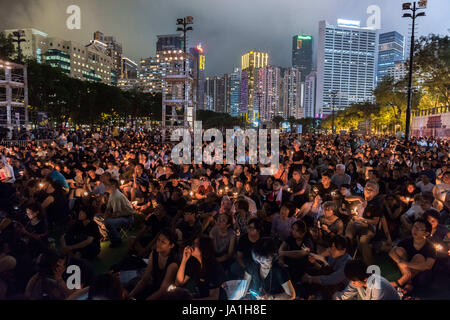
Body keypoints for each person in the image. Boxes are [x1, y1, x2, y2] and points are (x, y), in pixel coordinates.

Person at [127, 229, 179, 300]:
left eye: (163, 242)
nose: (158, 243)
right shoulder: (154, 253)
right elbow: (146, 278)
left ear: (171, 245)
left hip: (166, 294)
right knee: (129, 288)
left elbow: (162, 290)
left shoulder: (172, 264)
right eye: (158, 240)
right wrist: (131, 294)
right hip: (154, 286)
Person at [389, 219, 437, 295]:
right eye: (414, 227)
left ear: (426, 233)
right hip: (406, 271)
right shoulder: (407, 240)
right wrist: (399, 262)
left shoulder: (430, 247)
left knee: (419, 257)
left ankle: (402, 282)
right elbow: (391, 251)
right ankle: (407, 282)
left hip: (420, 275)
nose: (415, 230)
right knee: (399, 250)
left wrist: (405, 264)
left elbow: (428, 266)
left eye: (419, 229)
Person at [301, 235, 352, 299]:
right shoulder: (333, 254)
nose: (332, 250)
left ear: (344, 250)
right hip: (331, 280)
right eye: (332, 247)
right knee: (307, 271)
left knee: (313, 282)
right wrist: (315, 262)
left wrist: (310, 279)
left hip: (340, 287)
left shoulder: (347, 263)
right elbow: (327, 268)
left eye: (335, 248)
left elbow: (331, 279)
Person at [176, 235, 226, 300]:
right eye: (193, 243)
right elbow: (179, 283)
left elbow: (214, 297)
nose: (192, 246)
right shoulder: (193, 261)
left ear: (203, 249)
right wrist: (184, 260)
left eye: (196, 244)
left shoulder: (214, 267)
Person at [334, 260, 400, 300]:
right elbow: (345, 294)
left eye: (354, 281)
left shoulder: (378, 289)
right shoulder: (359, 279)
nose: (352, 283)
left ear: (365, 279)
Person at [278, 220, 314, 284]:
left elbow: (301, 253)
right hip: (291, 264)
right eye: (293, 229)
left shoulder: (307, 241)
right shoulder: (291, 237)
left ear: (302, 232)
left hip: (303, 267)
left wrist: (283, 253)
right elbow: (281, 248)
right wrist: (281, 259)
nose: (293, 232)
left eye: (296, 230)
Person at [104, 179, 135, 248]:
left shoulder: (116, 196)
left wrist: (105, 219)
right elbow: (108, 208)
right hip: (122, 216)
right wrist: (105, 216)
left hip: (128, 218)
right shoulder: (112, 194)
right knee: (99, 217)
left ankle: (116, 240)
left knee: (108, 222)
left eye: (107, 185)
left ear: (113, 186)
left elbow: (116, 214)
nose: (105, 186)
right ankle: (114, 235)